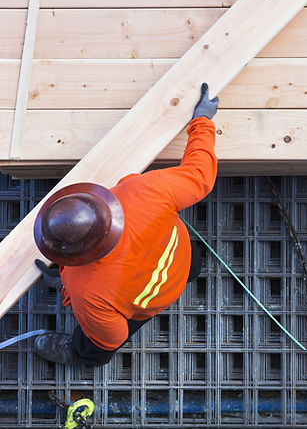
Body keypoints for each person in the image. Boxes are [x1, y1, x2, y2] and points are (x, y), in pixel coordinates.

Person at [33, 83, 218, 366]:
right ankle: (193, 270)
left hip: (148, 304)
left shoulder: (86, 289)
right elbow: (200, 174)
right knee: (191, 260)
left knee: (97, 345)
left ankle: (77, 354)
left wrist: (66, 288)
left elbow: (113, 335)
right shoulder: (145, 191)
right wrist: (202, 121)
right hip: (181, 264)